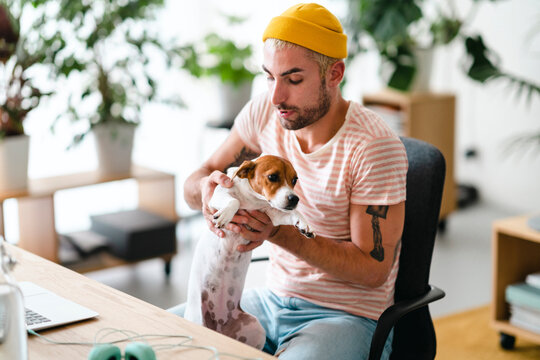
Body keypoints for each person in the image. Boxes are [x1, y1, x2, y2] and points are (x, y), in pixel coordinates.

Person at [176, 3, 408, 359]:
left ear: (335, 74)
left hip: (345, 317)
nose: (276, 97)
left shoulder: (373, 148)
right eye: (270, 76)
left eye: (293, 79)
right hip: (270, 301)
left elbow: (372, 269)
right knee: (158, 336)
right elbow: (199, 178)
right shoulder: (264, 114)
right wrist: (207, 193)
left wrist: (276, 233)